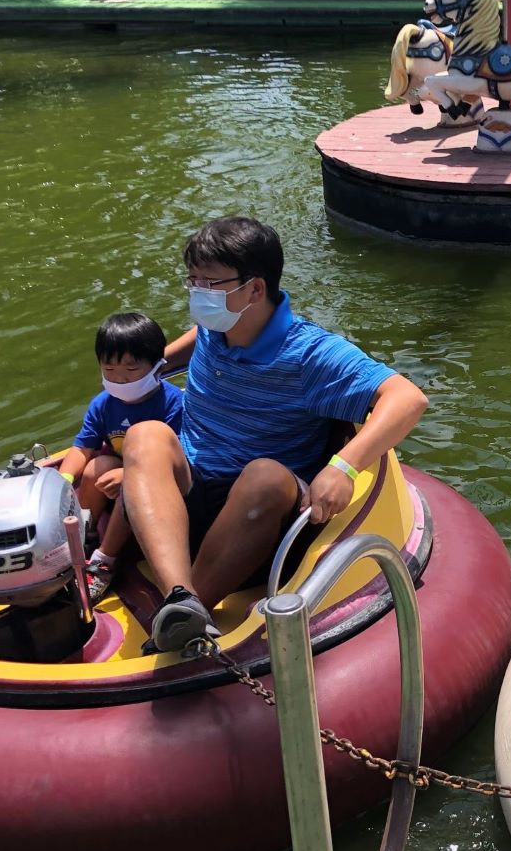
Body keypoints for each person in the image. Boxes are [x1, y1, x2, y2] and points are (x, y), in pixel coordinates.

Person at [121, 216, 428, 653]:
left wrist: (344, 466)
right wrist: (151, 370)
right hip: (191, 488)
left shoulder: (310, 355)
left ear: (255, 289)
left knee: (264, 475)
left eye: (210, 283)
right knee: (145, 434)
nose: (198, 293)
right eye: (193, 280)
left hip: (255, 521)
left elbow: (407, 398)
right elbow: (196, 337)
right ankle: (180, 598)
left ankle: (189, 614)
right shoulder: (216, 327)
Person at [55, 313, 185, 602]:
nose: (120, 378)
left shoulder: (173, 403)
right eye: (109, 369)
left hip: (159, 482)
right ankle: (82, 537)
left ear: (157, 365)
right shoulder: (103, 404)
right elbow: (82, 447)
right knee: (94, 468)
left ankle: (105, 560)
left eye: (131, 369)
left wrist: (130, 475)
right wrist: (63, 480)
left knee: (133, 484)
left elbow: (182, 457)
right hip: (113, 478)